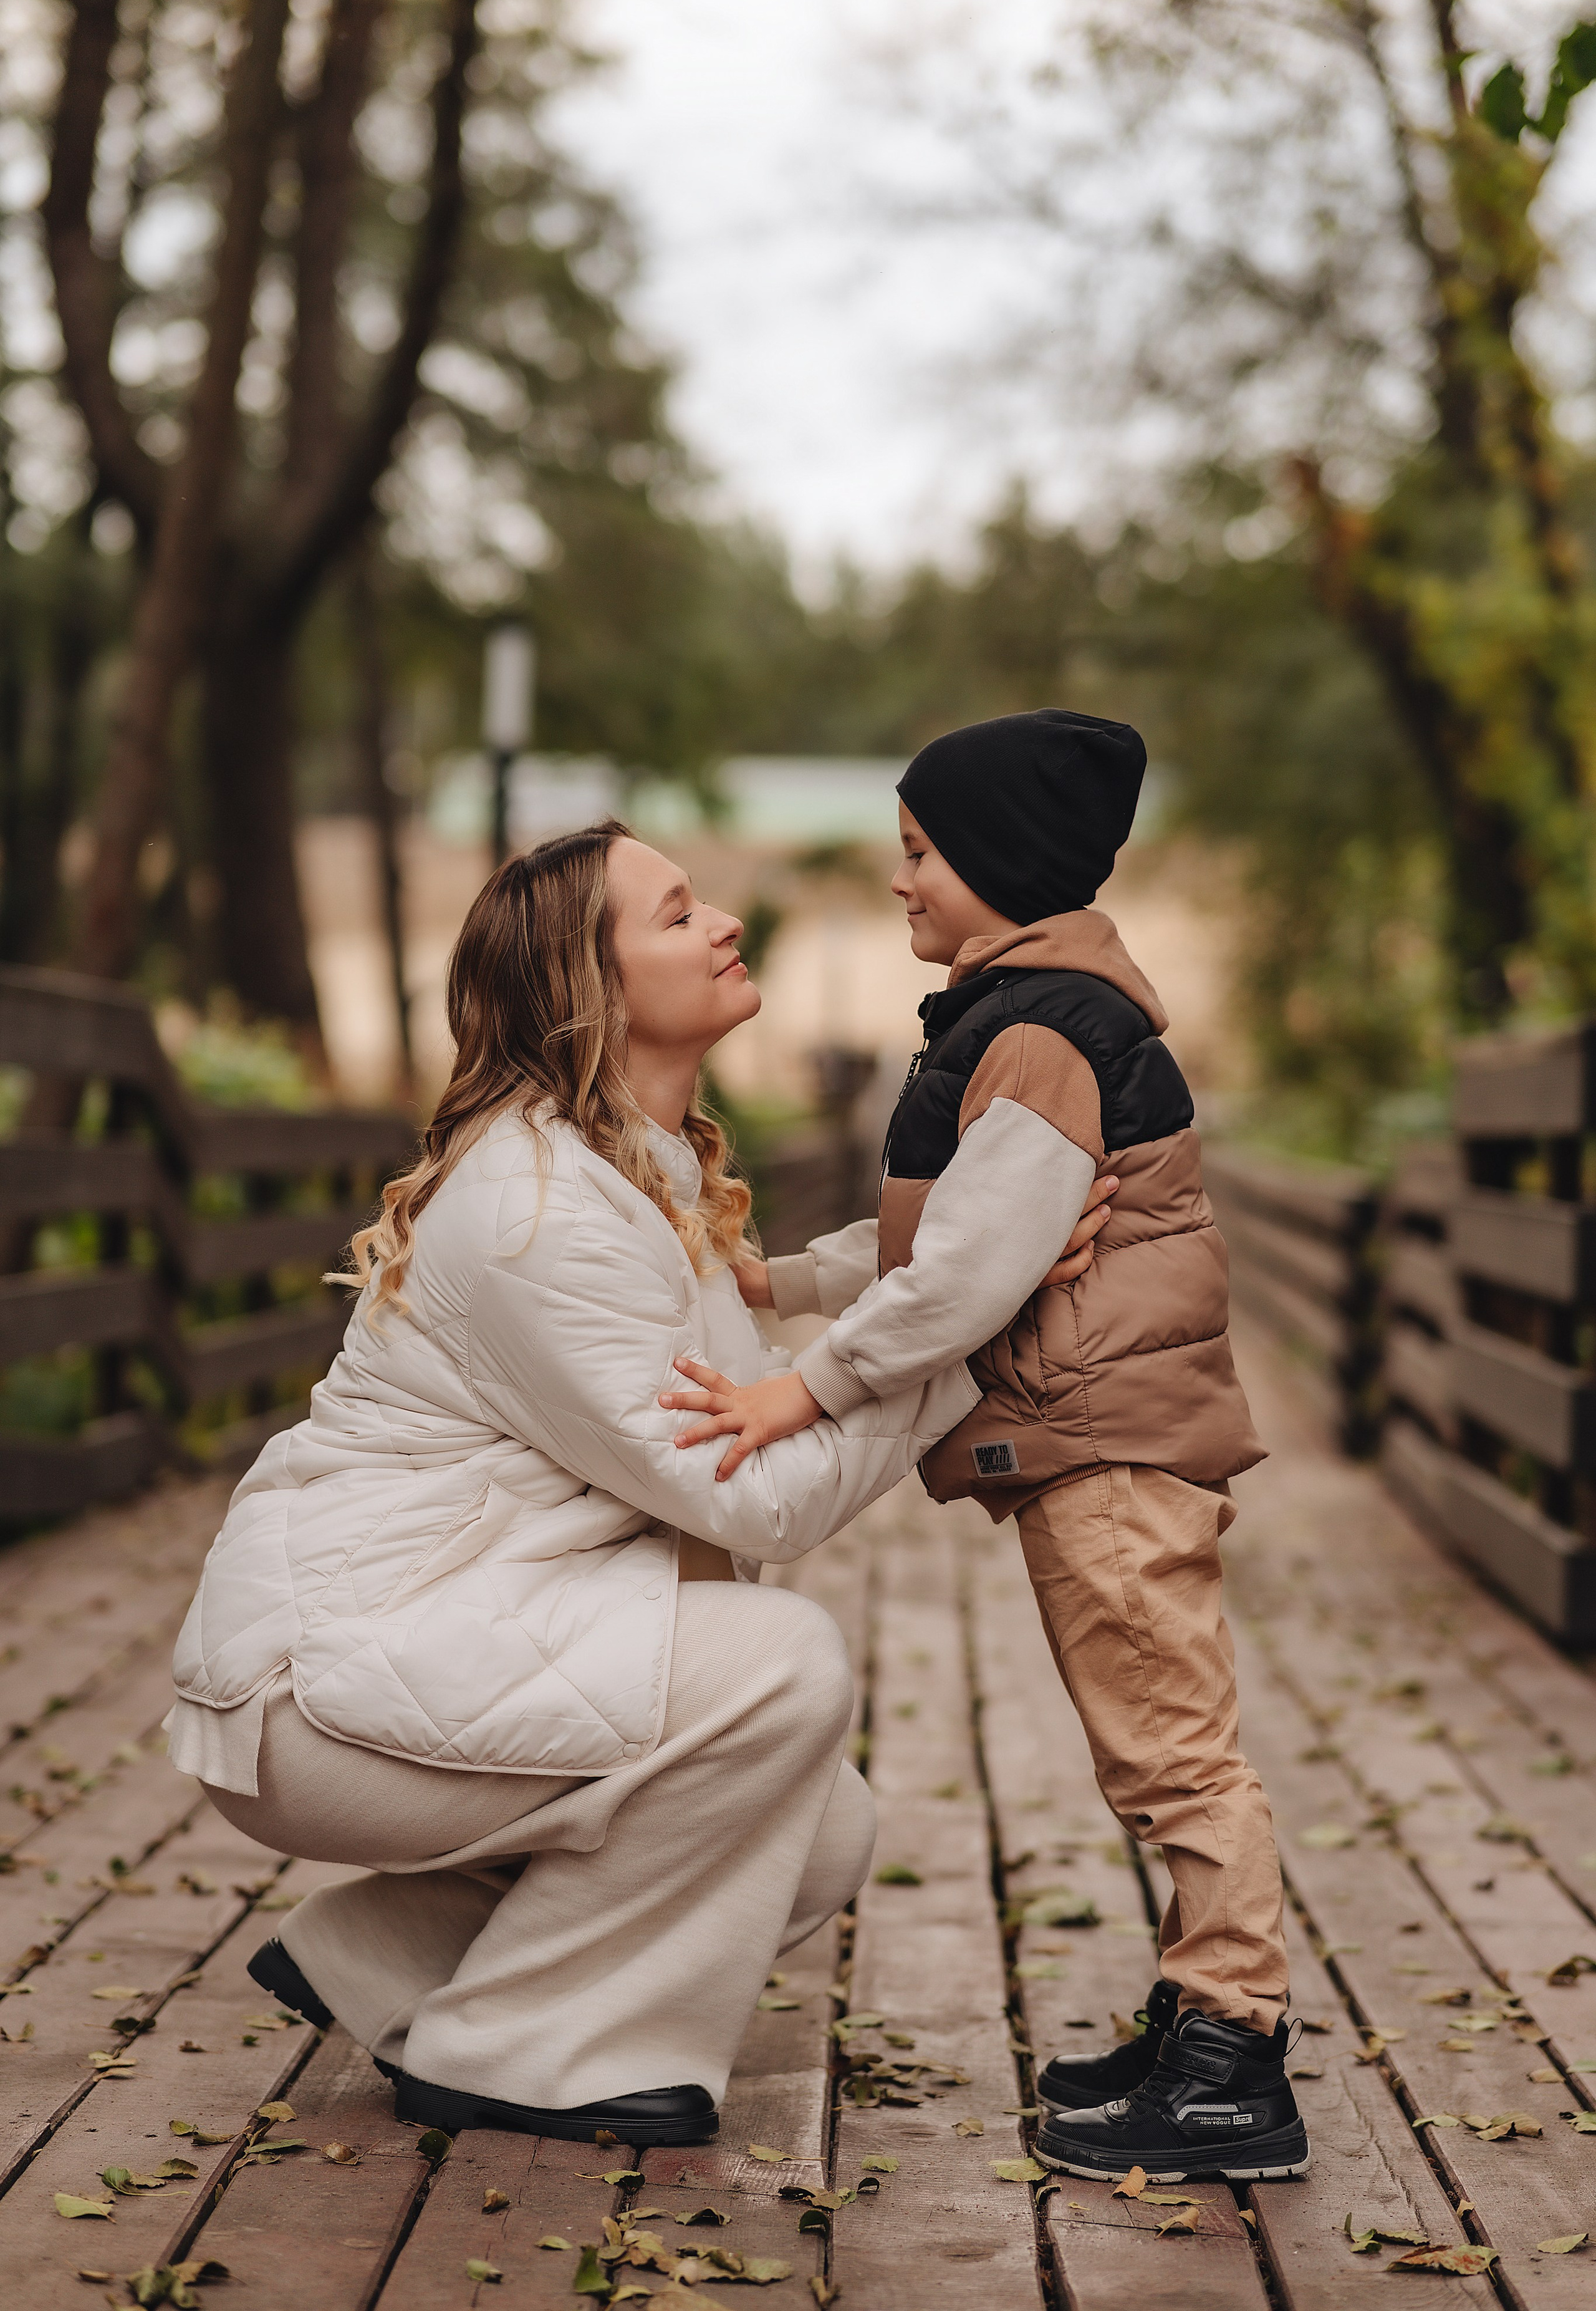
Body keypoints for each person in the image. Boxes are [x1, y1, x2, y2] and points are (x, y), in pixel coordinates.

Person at [166, 818, 1106, 2148]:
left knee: (818, 1826)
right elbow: (752, 1495)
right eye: (676, 914)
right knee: (782, 1666)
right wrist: (967, 1323)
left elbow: (753, 1422)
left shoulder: (639, 1171)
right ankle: (513, 2053)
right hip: (319, 1680)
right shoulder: (539, 1209)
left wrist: (958, 1274)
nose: (724, 922)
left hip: (441, 1633)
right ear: (589, 987)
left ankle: (387, 1957)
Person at [662, 710, 1308, 2185]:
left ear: (1000, 860)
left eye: (921, 851)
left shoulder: (1033, 1037)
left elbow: (962, 1276)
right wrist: (789, 1278)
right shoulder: (1026, 1019)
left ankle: (1232, 2057)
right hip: (1100, 1430)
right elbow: (942, 1228)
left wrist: (799, 1389)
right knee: (1151, 1738)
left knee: (1171, 1749)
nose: (900, 879)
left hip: (1109, 1439)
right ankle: (1198, 2013)